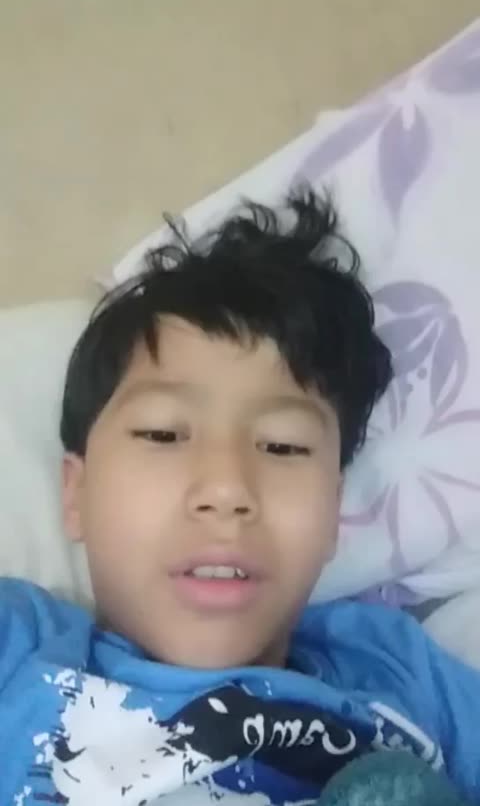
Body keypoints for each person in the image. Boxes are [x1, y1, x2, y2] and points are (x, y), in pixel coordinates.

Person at [0, 190, 478, 806]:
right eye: (163, 434)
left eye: (283, 446)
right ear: (77, 492)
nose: (227, 489)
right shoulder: (22, 648)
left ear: (333, 512)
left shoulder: (397, 669)